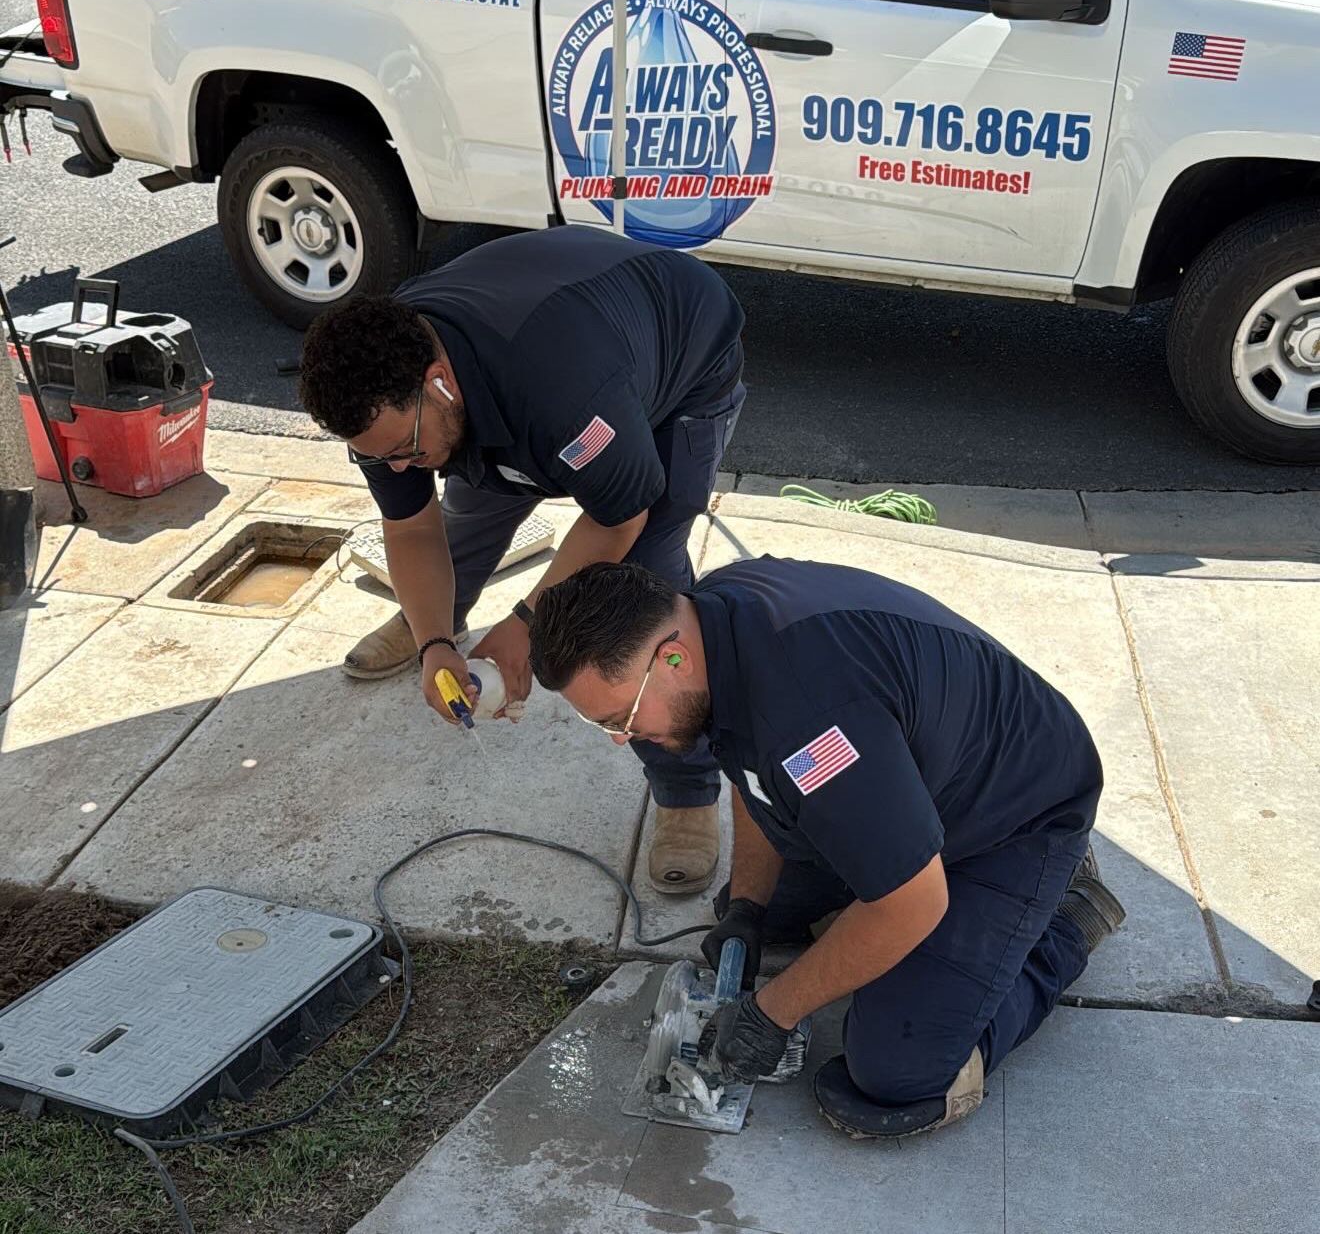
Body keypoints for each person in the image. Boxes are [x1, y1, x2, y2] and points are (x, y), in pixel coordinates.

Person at [528, 558, 1126, 1138]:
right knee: (771, 916)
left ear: (673, 657)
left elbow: (910, 904)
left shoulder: (812, 723)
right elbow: (750, 766)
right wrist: (749, 907)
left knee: (894, 1067)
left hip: (1017, 817)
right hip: (915, 778)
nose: (620, 739)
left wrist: (773, 1014)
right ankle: (878, 866)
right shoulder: (714, 618)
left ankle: (1069, 911)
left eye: (621, 716)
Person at [297, 227, 745, 895]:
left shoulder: (563, 391)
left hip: (680, 358)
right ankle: (435, 619)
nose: (394, 466)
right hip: (536, 353)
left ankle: (687, 792)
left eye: (402, 449)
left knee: (646, 584)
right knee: (470, 506)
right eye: (377, 455)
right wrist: (435, 644)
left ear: (439, 382)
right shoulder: (392, 398)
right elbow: (411, 528)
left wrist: (528, 620)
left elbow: (617, 518)